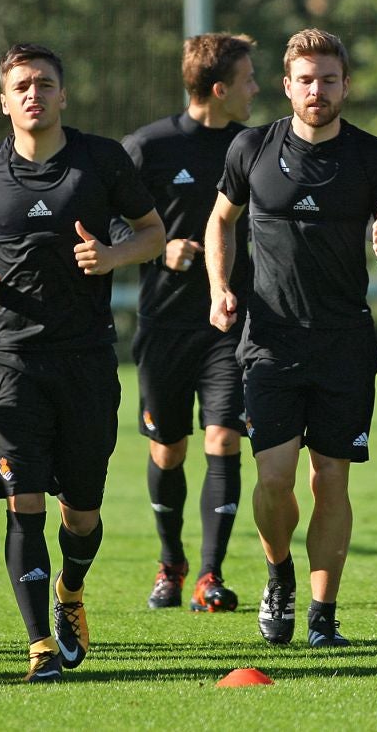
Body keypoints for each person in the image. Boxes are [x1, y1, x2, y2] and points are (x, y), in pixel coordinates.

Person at [0, 43, 163, 683]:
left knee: (81, 509)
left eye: (45, 84)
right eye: (22, 86)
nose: (34, 94)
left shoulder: (102, 160)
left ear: (63, 95)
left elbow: (153, 232)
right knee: (22, 498)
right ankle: (39, 644)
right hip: (13, 360)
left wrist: (114, 257)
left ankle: (71, 593)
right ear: (4, 101)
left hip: (87, 358)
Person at [206, 28, 377, 647]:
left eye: (328, 79)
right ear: (287, 86)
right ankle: (279, 574)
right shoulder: (251, 148)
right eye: (306, 80)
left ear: (345, 85)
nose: (317, 90)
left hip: (343, 344)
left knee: (332, 478)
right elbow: (221, 220)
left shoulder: (374, 158)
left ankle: (323, 616)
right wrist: (220, 286)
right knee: (273, 478)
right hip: (268, 342)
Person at [120, 33, 258, 612]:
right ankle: (170, 562)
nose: (257, 88)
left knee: (224, 438)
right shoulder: (148, 147)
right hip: (165, 324)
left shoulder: (253, 146)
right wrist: (158, 250)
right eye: (249, 79)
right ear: (219, 89)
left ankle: (210, 575)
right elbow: (108, 230)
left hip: (230, 324)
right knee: (168, 450)